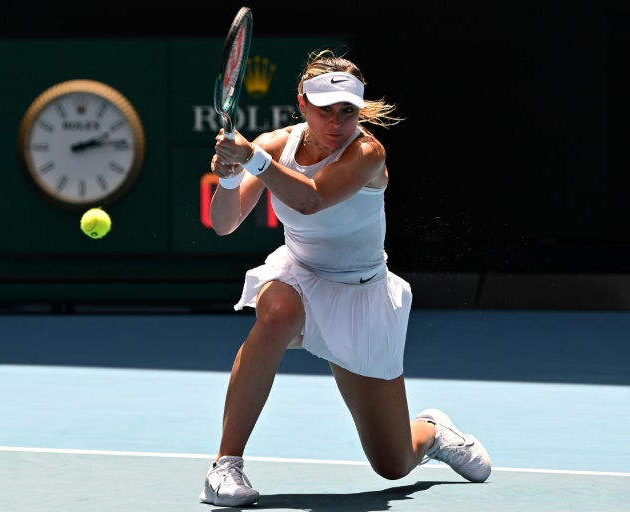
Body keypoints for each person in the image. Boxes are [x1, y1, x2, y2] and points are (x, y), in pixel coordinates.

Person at [199, 49, 491, 508]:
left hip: (362, 294)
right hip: (299, 272)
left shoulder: (368, 152)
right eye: (324, 110)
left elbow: (311, 200)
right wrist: (231, 179)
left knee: (392, 463)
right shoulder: (276, 145)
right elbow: (224, 223)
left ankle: (432, 434)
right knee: (277, 314)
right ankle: (224, 467)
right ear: (302, 104)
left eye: (347, 111)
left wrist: (251, 160)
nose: (336, 123)